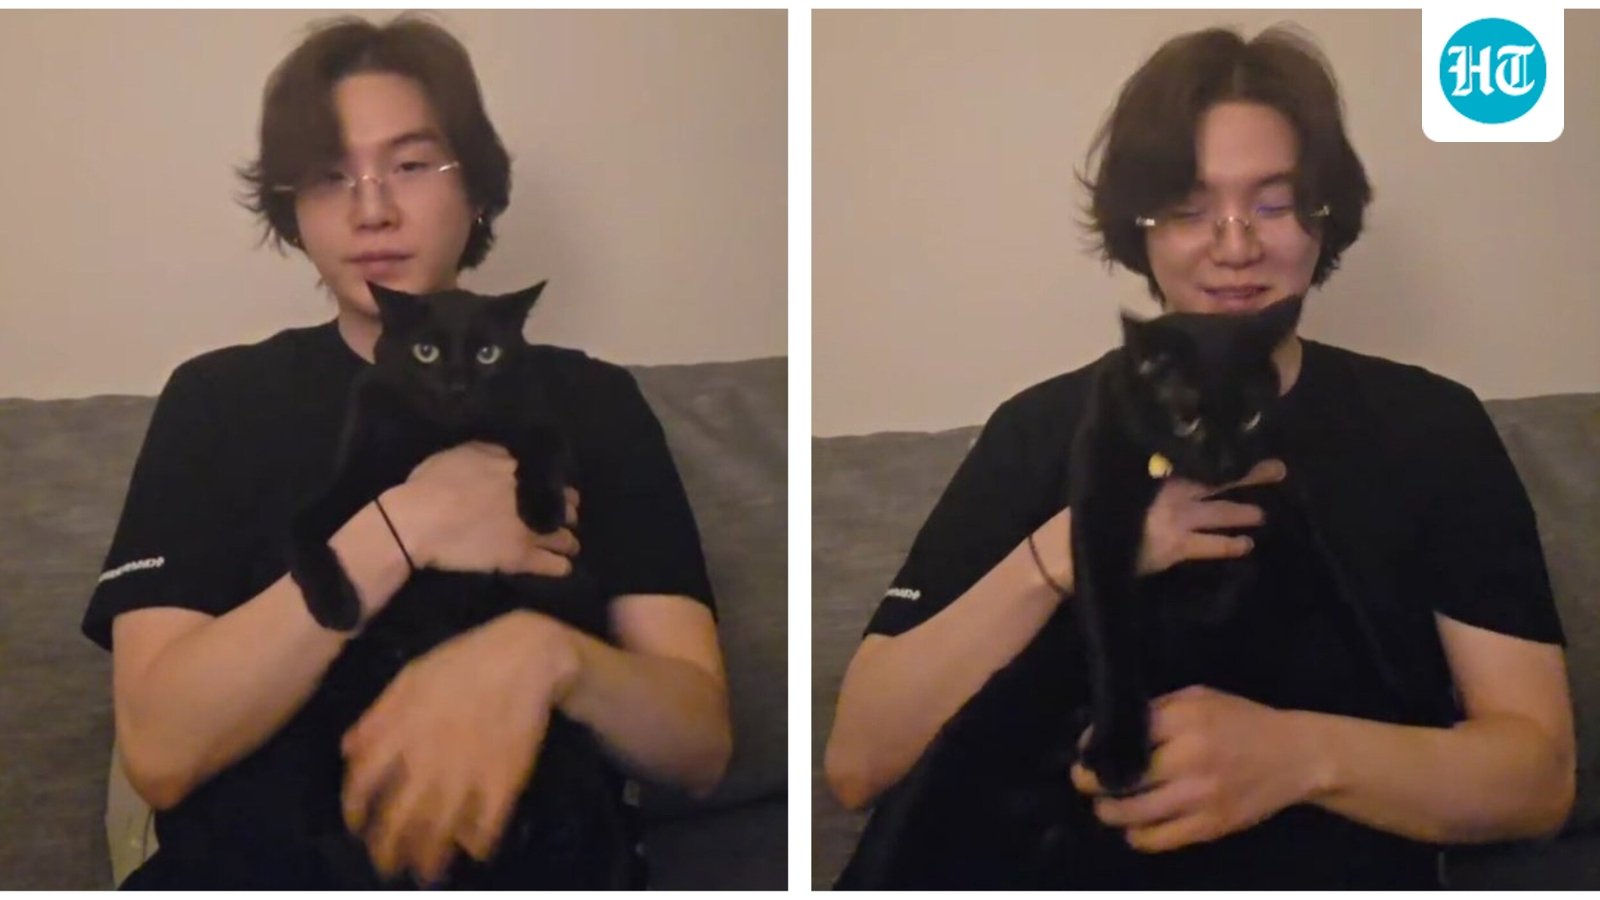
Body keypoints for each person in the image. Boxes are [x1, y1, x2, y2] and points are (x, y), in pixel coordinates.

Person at [824, 25, 1573, 888]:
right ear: (1138, 229)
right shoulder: (1041, 428)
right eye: (1188, 206)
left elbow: (1539, 781)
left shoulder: (1429, 427)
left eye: (1274, 204)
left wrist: (1297, 755)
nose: (1234, 244)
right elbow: (859, 762)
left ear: (1325, 217)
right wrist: (1084, 547)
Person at [84, 14, 731, 888]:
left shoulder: (594, 401)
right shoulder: (217, 400)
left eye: (413, 165)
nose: (372, 209)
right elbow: (160, 752)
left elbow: (699, 746)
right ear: (292, 209)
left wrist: (546, 656)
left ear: (478, 190)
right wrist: (407, 526)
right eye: (329, 176)